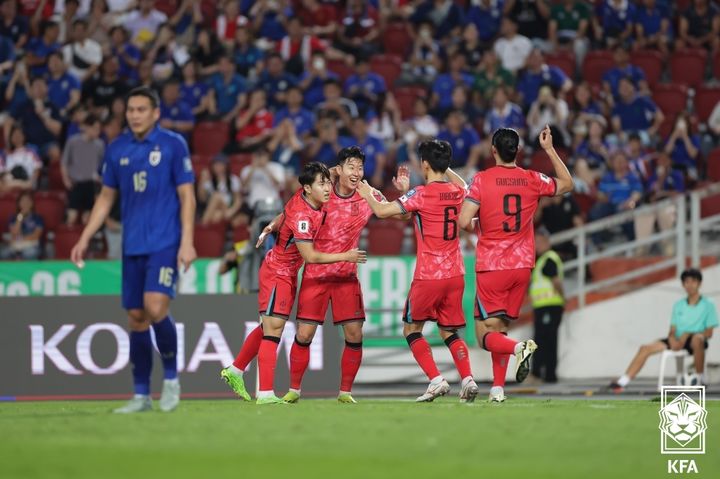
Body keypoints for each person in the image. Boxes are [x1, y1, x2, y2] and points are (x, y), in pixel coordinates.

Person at [70, 87, 197, 414]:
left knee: (155, 306)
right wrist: (85, 237)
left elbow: (187, 196)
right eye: (131, 109)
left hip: (165, 241)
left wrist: (187, 241)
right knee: (136, 317)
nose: (135, 115)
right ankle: (141, 395)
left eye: (142, 109)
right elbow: (106, 198)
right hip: (132, 245)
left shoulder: (172, 144)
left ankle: (171, 379)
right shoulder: (117, 149)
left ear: (155, 113)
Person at [220, 162, 367, 405]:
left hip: (286, 273)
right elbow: (311, 257)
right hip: (278, 272)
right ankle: (265, 393)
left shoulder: (303, 197)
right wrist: (346, 256)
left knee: (269, 325)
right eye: (322, 184)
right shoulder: (304, 216)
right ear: (308, 189)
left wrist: (273, 224)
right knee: (274, 328)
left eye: (327, 182)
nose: (328, 188)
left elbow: (287, 210)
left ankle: (235, 370)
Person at [280, 147, 409, 404]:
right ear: (339, 170)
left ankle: (345, 392)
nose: (356, 172)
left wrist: (404, 193)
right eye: (351, 166)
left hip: (346, 277)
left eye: (360, 167)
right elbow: (296, 203)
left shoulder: (368, 195)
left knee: (354, 334)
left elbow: (403, 216)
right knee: (304, 334)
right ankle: (294, 388)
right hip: (316, 274)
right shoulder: (322, 193)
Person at [357, 139, 480, 403]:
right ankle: (468, 378)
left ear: (424, 165)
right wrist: (442, 169)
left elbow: (381, 211)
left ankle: (436, 380)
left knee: (411, 329)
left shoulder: (420, 194)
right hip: (456, 274)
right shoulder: (458, 193)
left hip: (429, 276)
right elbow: (464, 187)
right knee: (449, 331)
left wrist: (366, 191)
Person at [458, 126, 574, 402]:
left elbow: (464, 221)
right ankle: (498, 390)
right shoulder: (531, 179)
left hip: (492, 265)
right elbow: (568, 184)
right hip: (522, 266)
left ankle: (519, 348)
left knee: (483, 333)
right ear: (518, 151)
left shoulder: (482, 180)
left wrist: (480, 224)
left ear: (493, 150)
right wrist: (548, 149)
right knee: (499, 327)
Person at [606, 269, 719, 392]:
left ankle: (700, 378)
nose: (690, 285)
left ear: (699, 283)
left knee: (698, 340)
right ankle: (623, 381)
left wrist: (687, 334)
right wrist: (672, 340)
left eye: (693, 281)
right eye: (686, 282)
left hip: (696, 339)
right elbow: (672, 330)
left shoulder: (708, 305)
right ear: (683, 284)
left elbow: (709, 333)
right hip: (677, 339)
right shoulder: (678, 305)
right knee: (645, 348)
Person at [528, 228, 565, 383]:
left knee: (544, 340)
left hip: (549, 305)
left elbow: (556, 281)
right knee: (546, 339)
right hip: (544, 306)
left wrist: (563, 297)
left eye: (539, 241)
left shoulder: (548, 258)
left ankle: (542, 374)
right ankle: (547, 374)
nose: (537, 245)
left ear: (547, 241)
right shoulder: (543, 259)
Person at [61, 114, 105, 225]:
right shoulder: (73, 141)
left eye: (99, 129)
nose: (97, 132)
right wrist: (66, 180)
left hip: (91, 184)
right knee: (71, 217)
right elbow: (64, 162)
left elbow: (103, 165)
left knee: (88, 219)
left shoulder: (100, 145)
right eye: (95, 129)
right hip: (76, 183)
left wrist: (100, 177)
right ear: (87, 127)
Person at [0, 192, 43, 260]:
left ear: (32, 203)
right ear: (19, 203)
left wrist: (21, 239)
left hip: (31, 245)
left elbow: (36, 235)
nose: (25, 203)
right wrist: (20, 217)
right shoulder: (13, 218)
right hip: (16, 246)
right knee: (3, 254)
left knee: (28, 254)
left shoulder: (37, 218)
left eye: (27, 201)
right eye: (23, 201)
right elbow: (14, 234)